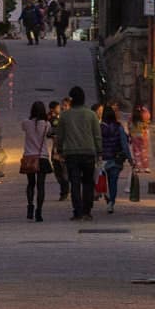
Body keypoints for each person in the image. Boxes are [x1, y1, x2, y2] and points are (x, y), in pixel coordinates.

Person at [55, 85, 101, 221]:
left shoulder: (65, 116)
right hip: (88, 152)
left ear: (72, 99)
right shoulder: (91, 115)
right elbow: (97, 135)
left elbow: (60, 136)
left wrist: (60, 150)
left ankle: (77, 211)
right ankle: (87, 211)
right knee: (88, 182)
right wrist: (99, 150)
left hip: (71, 153)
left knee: (74, 183)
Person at [20, 101, 53, 222]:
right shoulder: (46, 124)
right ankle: (39, 211)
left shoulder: (26, 123)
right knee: (41, 185)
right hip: (42, 157)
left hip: (29, 156)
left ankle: (30, 205)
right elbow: (49, 133)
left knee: (30, 184)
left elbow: (23, 127)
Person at [98, 102, 130, 212]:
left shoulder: (99, 128)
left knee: (102, 180)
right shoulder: (119, 128)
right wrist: (130, 159)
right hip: (116, 159)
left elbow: (96, 143)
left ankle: (106, 196)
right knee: (113, 182)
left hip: (103, 159)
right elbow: (125, 144)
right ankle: (111, 202)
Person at [47, 99, 70, 201]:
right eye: (62, 105)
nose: (63, 107)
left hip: (67, 149)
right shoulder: (55, 118)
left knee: (65, 171)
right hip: (56, 149)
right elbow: (50, 132)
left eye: (65, 105)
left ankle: (65, 191)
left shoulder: (71, 119)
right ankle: (65, 188)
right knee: (57, 170)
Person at [130, 103, 153, 175]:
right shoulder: (144, 117)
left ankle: (138, 167)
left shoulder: (132, 119)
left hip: (134, 136)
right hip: (143, 135)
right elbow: (148, 117)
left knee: (136, 151)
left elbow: (129, 126)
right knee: (144, 151)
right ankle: (146, 167)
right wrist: (145, 110)